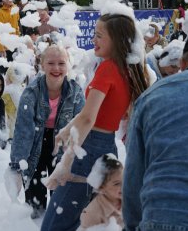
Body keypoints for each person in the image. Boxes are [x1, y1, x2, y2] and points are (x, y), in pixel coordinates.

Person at [40, 13, 148, 231]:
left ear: (116, 40)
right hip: (107, 146)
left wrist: (66, 163)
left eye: (99, 36)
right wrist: (66, 129)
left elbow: (89, 118)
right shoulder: (128, 70)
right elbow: (93, 115)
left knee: (56, 224)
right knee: (91, 221)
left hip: (88, 149)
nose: (93, 40)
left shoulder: (107, 68)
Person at [123, 28, 188, 231]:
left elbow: (133, 176)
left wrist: (133, 225)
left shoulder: (152, 97)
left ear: (182, 64)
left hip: (163, 216)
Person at [8, 45, 85, 218]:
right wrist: (17, 166)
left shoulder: (76, 91)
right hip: (36, 143)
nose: (56, 68)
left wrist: (80, 159)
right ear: (42, 65)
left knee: (62, 199)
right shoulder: (31, 93)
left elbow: (82, 125)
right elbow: (23, 133)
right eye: (51, 63)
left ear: (68, 65)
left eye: (61, 63)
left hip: (63, 145)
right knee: (36, 198)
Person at [79, 154, 123, 230]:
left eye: (125, 181)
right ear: (102, 187)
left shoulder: (128, 201)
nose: (123, 186)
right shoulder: (92, 213)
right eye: (117, 184)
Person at [0, 0, 20, 65]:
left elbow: (17, 26)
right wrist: (0, 49)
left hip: (13, 45)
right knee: (2, 71)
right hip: (3, 48)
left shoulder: (15, 9)